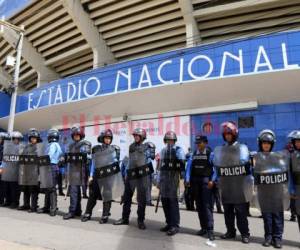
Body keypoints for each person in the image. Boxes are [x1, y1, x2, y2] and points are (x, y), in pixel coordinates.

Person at [213, 121, 252, 244]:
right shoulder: (223, 149)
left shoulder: (241, 148)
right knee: (228, 211)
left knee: (241, 212)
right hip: (226, 184)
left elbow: (244, 161)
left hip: (238, 185)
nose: (227, 136)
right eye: (225, 135)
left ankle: (245, 234)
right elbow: (217, 165)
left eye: (229, 134)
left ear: (234, 134)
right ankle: (230, 231)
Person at [253, 130, 289, 248]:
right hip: (264, 193)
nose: (266, 145)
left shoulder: (278, 158)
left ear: (272, 144)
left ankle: (277, 238)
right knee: (267, 216)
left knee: (278, 216)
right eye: (264, 143)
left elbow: (284, 172)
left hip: (277, 192)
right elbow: (253, 174)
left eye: (268, 143)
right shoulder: (256, 158)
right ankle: (268, 237)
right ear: (261, 144)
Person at [114, 128, 155, 230]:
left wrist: (150, 152)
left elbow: (152, 158)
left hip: (142, 176)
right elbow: (131, 160)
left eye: (138, 135)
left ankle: (140, 221)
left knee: (141, 200)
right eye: (135, 135)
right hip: (131, 175)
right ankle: (124, 218)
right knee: (126, 198)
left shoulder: (148, 146)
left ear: (142, 137)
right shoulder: (131, 146)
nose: (136, 137)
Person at [81, 129, 123, 224]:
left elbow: (115, 164)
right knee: (92, 196)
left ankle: (105, 215)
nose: (108, 140)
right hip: (97, 175)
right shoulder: (96, 149)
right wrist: (91, 175)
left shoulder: (114, 150)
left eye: (109, 138)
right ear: (102, 138)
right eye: (106, 138)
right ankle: (87, 213)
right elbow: (93, 163)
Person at [185, 135, 215, 240]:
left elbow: (215, 168)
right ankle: (203, 228)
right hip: (195, 183)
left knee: (207, 206)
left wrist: (212, 180)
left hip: (206, 182)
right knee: (199, 206)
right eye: (197, 143)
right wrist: (187, 179)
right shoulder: (193, 154)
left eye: (200, 142)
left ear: (205, 143)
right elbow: (188, 167)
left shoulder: (210, 154)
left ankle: (210, 230)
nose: (198, 145)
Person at [158, 131, 185, 236]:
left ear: (174, 141)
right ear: (165, 141)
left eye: (171, 140)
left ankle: (175, 225)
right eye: (168, 140)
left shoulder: (178, 150)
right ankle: (169, 223)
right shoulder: (163, 151)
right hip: (164, 180)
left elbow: (182, 164)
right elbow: (160, 167)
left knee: (173, 203)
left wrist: (183, 178)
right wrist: (159, 180)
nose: (170, 142)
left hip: (173, 180)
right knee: (165, 202)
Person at [63, 126, 91, 220]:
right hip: (73, 171)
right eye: (75, 135)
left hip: (81, 171)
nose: (76, 136)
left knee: (75, 192)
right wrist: (62, 158)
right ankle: (76, 210)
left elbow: (88, 152)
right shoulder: (70, 146)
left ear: (81, 136)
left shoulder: (84, 144)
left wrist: (87, 148)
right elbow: (66, 155)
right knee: (75, 191)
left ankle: (73, 211)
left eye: (78, 135)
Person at [38, 129, 63, 216]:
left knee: (51, 188)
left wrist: (41, 159)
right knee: (49, 187)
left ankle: (52, 208)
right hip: (53, 166)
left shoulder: (52, 145)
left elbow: (49, 155)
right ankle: (48, 207)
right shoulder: (57, 145)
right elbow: (60, 155)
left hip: (51, 166)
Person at [18, 128, 41, 212]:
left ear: (37, 138)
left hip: (35, 171)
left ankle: (33, 206)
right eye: (31, 137)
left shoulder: (39, 147)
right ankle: (26, 204)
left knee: (33, 189)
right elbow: (22, 156)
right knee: (26, 188)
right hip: (26, 170)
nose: (33, 139)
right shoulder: (26, 147)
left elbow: (41, 159)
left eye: (34, 138)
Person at [1, 131, 23, 208]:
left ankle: (15, 202)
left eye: (18, 139)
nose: (16, 140)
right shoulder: (7, 147)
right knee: (7, 187)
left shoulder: (21, 147)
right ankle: (8, 201)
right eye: (14, 139)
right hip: (8, 170)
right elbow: (4, 158)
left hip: (16, 171)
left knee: (15, 189)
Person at [289, 131, 300, 233]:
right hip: (297, 187)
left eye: (299, 141)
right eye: (296, 141)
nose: (298, 143)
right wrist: (291, 189)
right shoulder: (291, 156)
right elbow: (290, 174)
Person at [0, 132, 11, 206]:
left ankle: (1, 200)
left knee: (2, 185)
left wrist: (1, 167)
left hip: (4, 168)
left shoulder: (7, 148)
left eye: (0, 138)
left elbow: (5, 159)